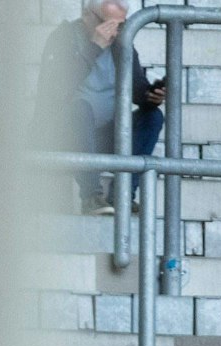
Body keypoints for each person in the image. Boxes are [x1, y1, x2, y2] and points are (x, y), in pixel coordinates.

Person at [37, 0, 166, 213]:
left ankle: (122, 196)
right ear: (88, 15)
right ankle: (91, 197)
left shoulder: (121, 44)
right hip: (64, 133)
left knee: (153, 117)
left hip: (102, 135)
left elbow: (137, 90)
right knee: (81, 108)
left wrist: (152, 96)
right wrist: (94, 47)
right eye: (108, 24)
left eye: (121, 25)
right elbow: (54, 93)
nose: (115, 31)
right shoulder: (64, 37)